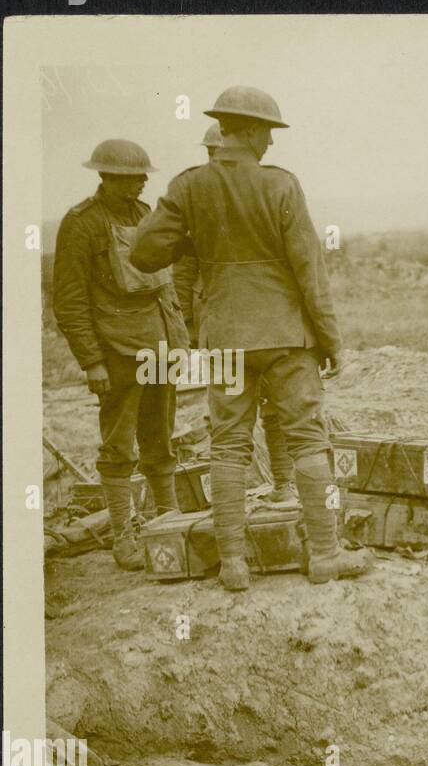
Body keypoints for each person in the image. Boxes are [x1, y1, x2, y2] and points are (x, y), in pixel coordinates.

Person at [131, 85, 367, 590]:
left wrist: (196, 231)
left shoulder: (189, 186)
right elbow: (310, 271)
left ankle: (234, 565)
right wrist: (330, 341)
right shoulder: (281, 185)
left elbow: (145, 253)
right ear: (254, 131)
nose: (272, 145)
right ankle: (325, 556)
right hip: (285, 336)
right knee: (307, 437)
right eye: (269, 133)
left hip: (225, 337)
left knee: (228, 445)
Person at [52, 138, 188, 570]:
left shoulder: (145, 215)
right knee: (118, 446)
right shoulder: (81, 224)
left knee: (160, 437)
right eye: (131, 178)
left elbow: (165, 284)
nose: (142, 182)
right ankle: (123, 534)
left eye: (143, 176)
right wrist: (91, 360)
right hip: (117, 353)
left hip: (158, 347)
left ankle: (168, 520)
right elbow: (70, 300)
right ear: (105, 177)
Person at [172, 121, 296, 505]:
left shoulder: (261, 192)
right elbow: (183, 272)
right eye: (210, 153)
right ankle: (238, 505)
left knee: (272, 411)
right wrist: (190, 331)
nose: (216, 159)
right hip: (226, 325)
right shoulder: (199, 201)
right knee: (230, 425)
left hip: (259, 325)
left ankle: (284, 485)